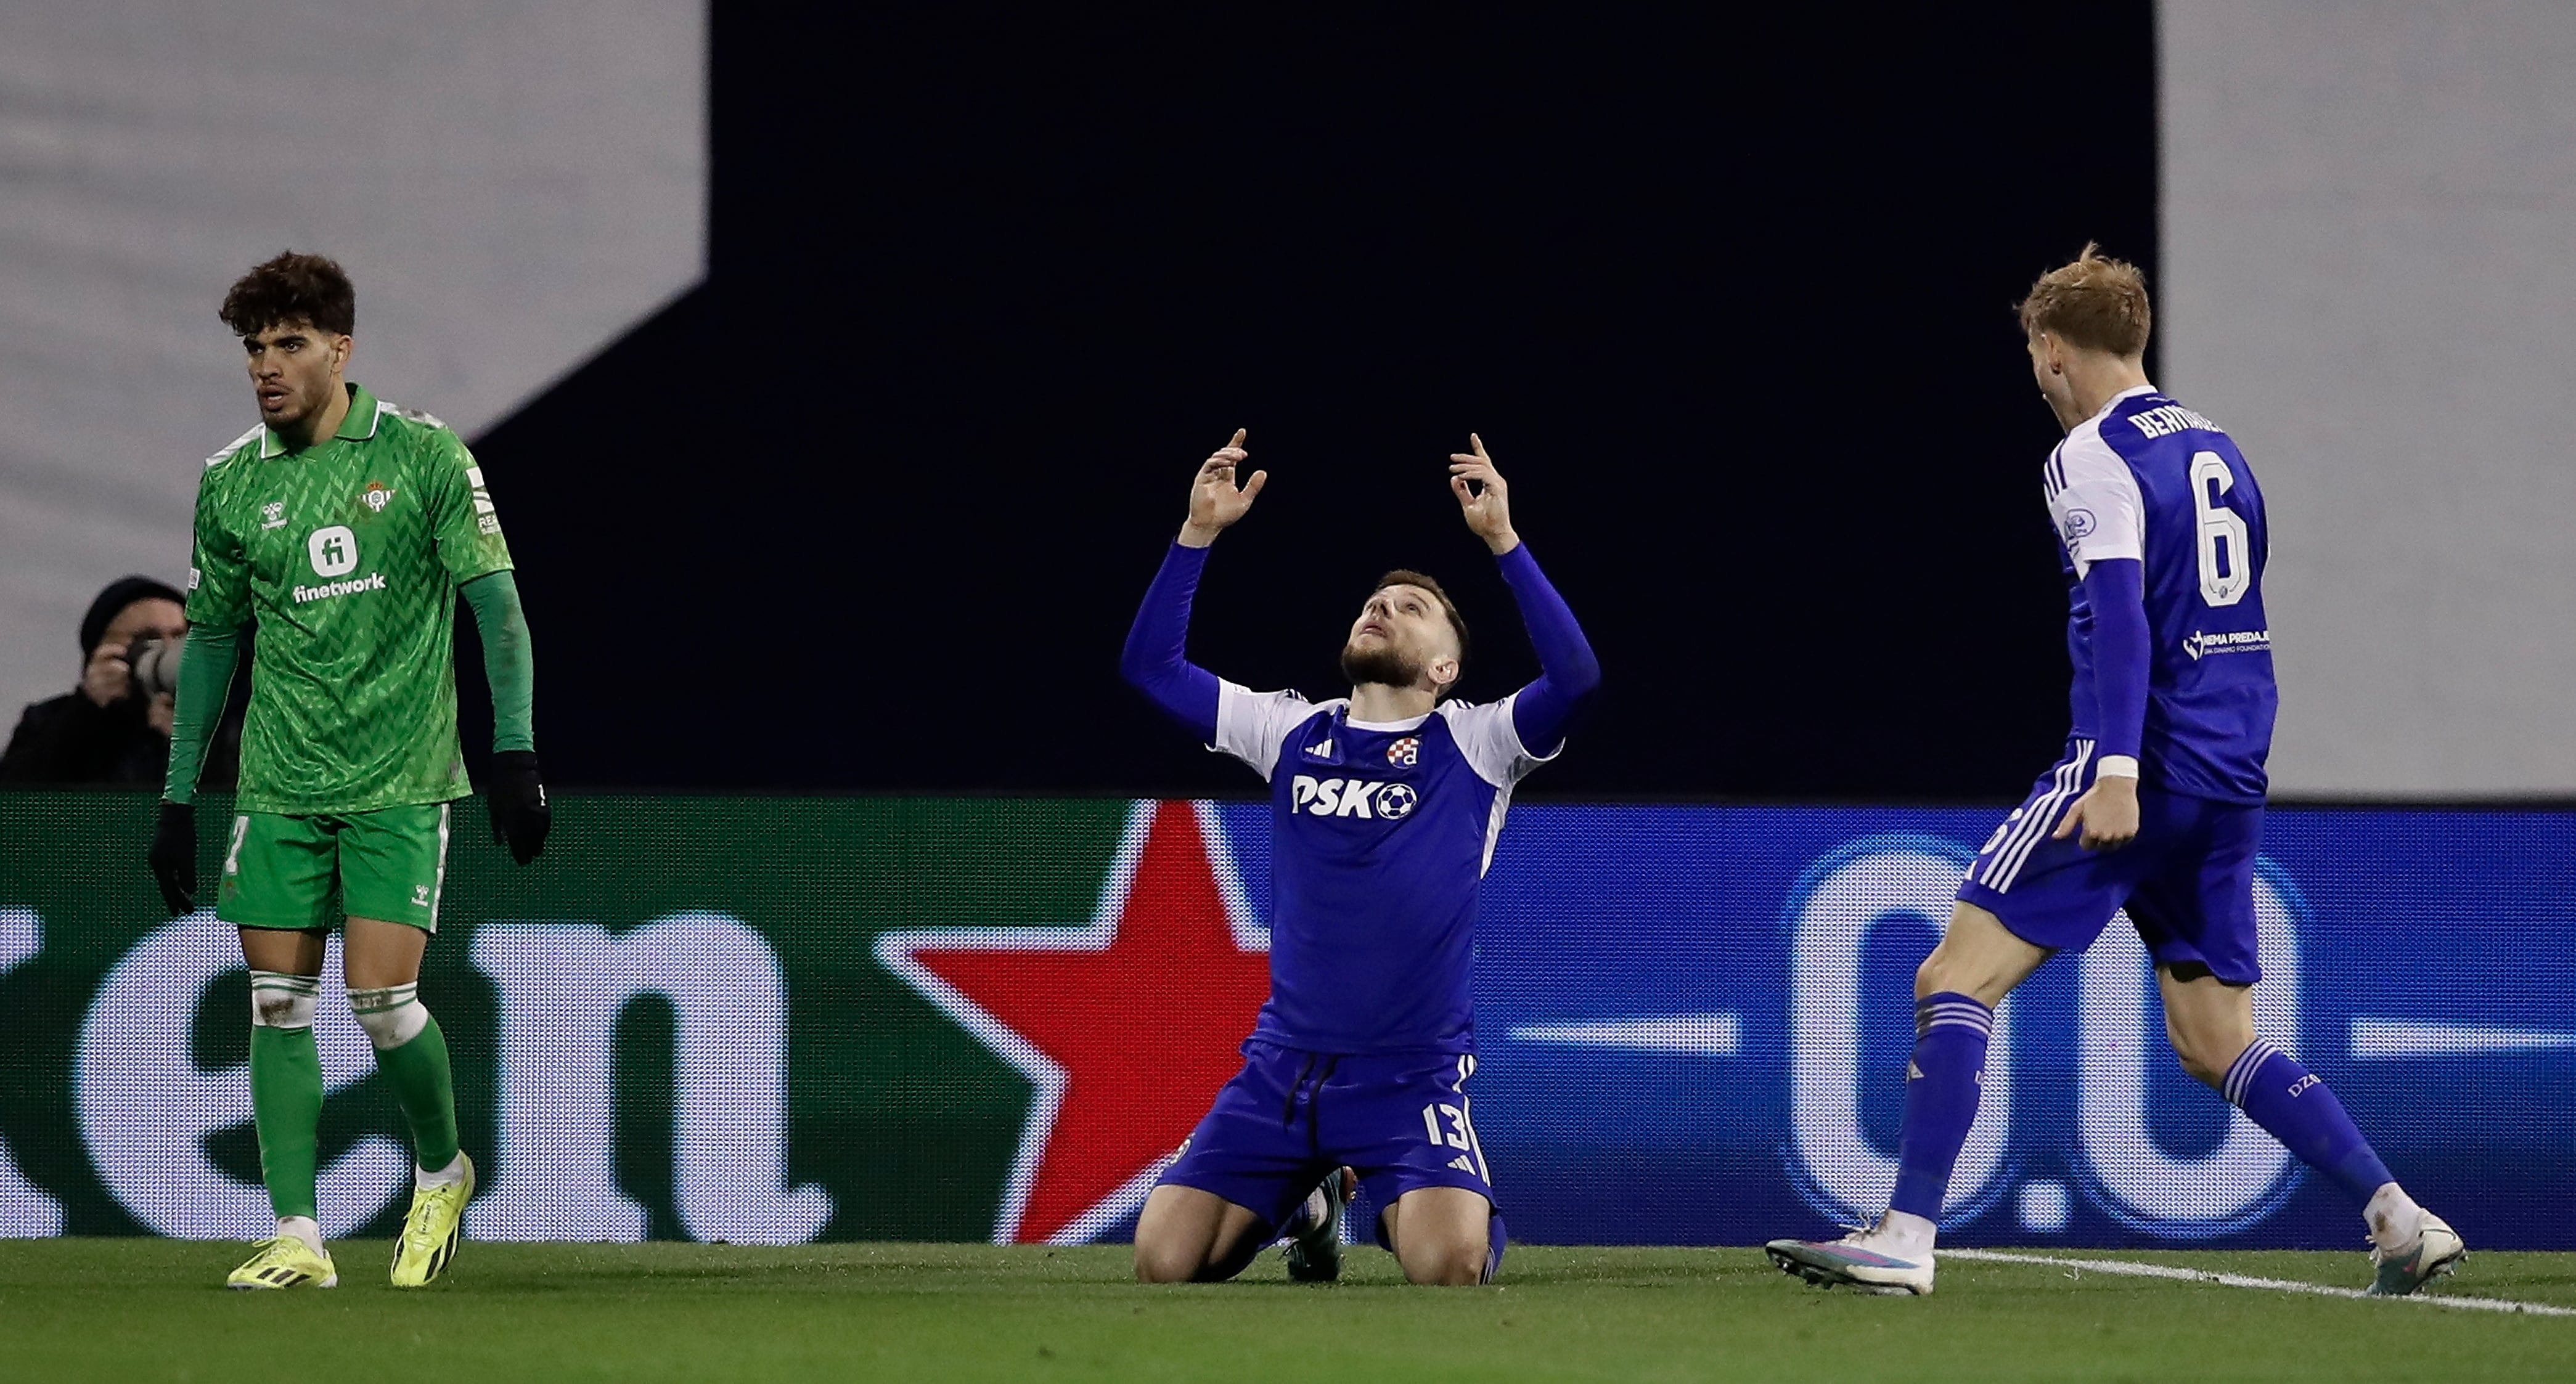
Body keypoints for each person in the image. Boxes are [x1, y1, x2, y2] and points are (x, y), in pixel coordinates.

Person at [1765, 246, 2462, 1297]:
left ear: (2051, 353)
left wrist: (2118, 770)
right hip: (2228, 775)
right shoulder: (2218, 448)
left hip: (2138, 767)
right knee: (2213, 1036)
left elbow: (2121, 616)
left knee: (1949, 977)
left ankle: (1904, 1234)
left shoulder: (2089, 456)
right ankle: (2396, 1217)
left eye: (2032, 357)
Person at [147, 250, 552, 1291]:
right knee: (276, 1003)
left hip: (401, 776)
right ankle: (298, 1232)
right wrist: (179, 793)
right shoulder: (233, 480)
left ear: (341, 347)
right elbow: (213, 643)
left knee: (382, 1004)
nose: (266, 367)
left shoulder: (420, 457)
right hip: (279, 782)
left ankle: (441, 1170)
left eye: (288, 345)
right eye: (253, 348)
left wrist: (515, 751)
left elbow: (496, 607)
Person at [1121, 430, 1599, 1285]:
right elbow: (1152, 669)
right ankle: (1308, 1206)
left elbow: (1574, 677)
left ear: (1444, 666)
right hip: (1282, 1071)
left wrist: (1502, 541)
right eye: (1374, 603)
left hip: (1408, 1078)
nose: (1381, 609)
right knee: (1164, 1260)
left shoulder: (1476, 742)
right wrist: (1197, 533)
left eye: (1408, 609)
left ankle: (1380, 1192)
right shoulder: (1292, 731)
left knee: (1447, 1267)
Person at [0, 577, 192, 784]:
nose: (168, 649)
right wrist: (86, 715)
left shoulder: (216, 723)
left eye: (179, 637)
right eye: (148, 638)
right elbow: (17, 797)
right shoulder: (48, 721)